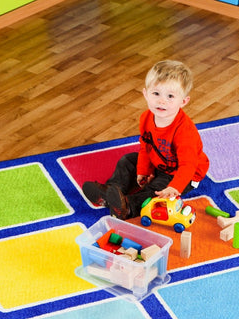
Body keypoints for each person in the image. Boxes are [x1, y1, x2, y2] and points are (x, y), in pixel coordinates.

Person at [82, 60, 210, 219]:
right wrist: (143, 170)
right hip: (159, 163)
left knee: (157, 189)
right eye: (156, 94)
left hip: (183, 174)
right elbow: (146, 146)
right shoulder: (146, 118)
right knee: (127, 161)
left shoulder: (185, 132)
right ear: (146, 94)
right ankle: (111, 191)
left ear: (183, 101)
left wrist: (175, 187)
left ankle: (129, 206)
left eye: (170, 96)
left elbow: (188, 165)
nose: (162, 101)